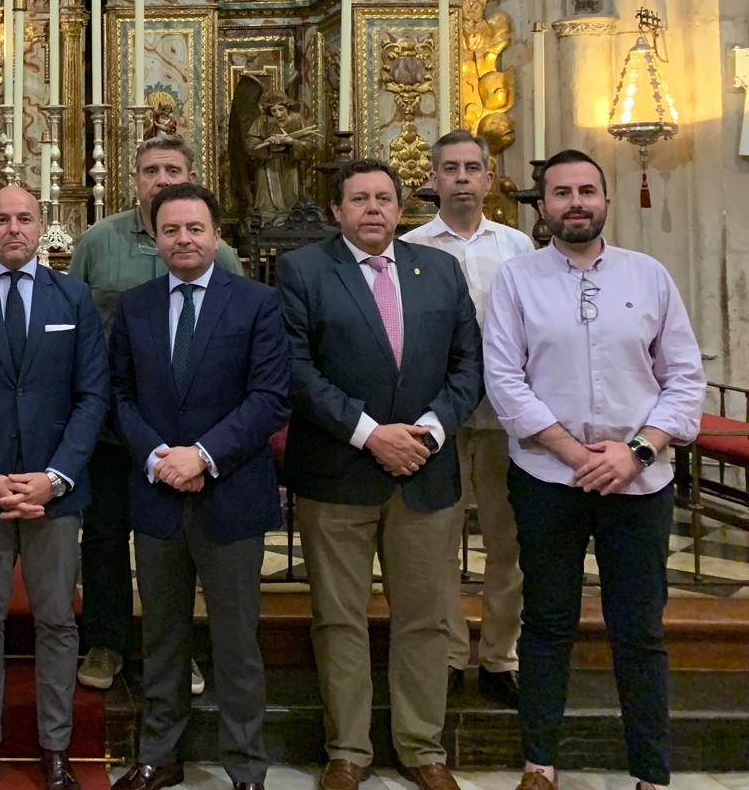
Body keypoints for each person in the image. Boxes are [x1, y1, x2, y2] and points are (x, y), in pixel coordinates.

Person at [482, 150, 705, 790]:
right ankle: (539, 764)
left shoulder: (650, 275)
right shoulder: (516, 280)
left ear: (604, 199)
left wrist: (635, 451)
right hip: (550, 478)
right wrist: (577, 454)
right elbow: (505, 381)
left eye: (586, 190)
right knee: (548, 623)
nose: (574, 202)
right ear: (542, 204)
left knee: (639, 629)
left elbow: (685, 379)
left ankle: (650, 772)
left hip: (639, 482)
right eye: (560, 192)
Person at [277, 159, 481, 790]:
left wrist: (428, 431)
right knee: (338, 616)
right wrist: (370, 434)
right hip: (338, 470)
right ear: (337, 210)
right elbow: (296, 368)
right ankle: (348, 751)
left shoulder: (440, 270)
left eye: (384, 199)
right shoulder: (304, 270)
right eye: (358, 199)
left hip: (424, 469)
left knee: (424, 617)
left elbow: (469, 365)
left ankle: (422, 748)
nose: (372, 209)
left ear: (400, 208)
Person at [0, 184, 110, 790]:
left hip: (54, 491)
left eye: (24, 218)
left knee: (57, 621)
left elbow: (92, 397)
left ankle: (55, 747)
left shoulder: (74, 297)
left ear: (41, 226)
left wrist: (55, 478)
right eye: (1, 219)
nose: (13, 228)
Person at [109, 183, 290, 790]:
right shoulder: (133, 307)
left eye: (194, 229)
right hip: (158, 493)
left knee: (237, 641)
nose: (183, 239)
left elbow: (269, 398)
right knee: (161, 635)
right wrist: (158, 455)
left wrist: (203, 456)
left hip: (230, 492)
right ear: (154, 238)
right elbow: (119, 396)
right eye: (170, 230)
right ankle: (160, 754)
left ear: (216, 235)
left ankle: (245, 766)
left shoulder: (257, 304)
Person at [69, 134, 241, 695]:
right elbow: (74, 326)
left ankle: (176, 651)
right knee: (105, 536)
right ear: (134, 178)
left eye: (172, 169)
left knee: (184, 547)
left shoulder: (222, 251)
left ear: (191, 173)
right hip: (117, 424)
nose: (161, 179)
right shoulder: (98, 241)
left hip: (192, 436)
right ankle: (106, 640)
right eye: (150, 170)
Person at [403, 130, 535, 706]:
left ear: (487, 177)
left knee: (508, 540)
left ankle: (501, 655)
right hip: (438, 414)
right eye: (449, 168)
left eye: (471, 168)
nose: (460, 178)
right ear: (433, 179)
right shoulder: (411, 247)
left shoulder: (517, 247)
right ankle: (451, 652)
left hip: (507, 415)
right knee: (437, 538)